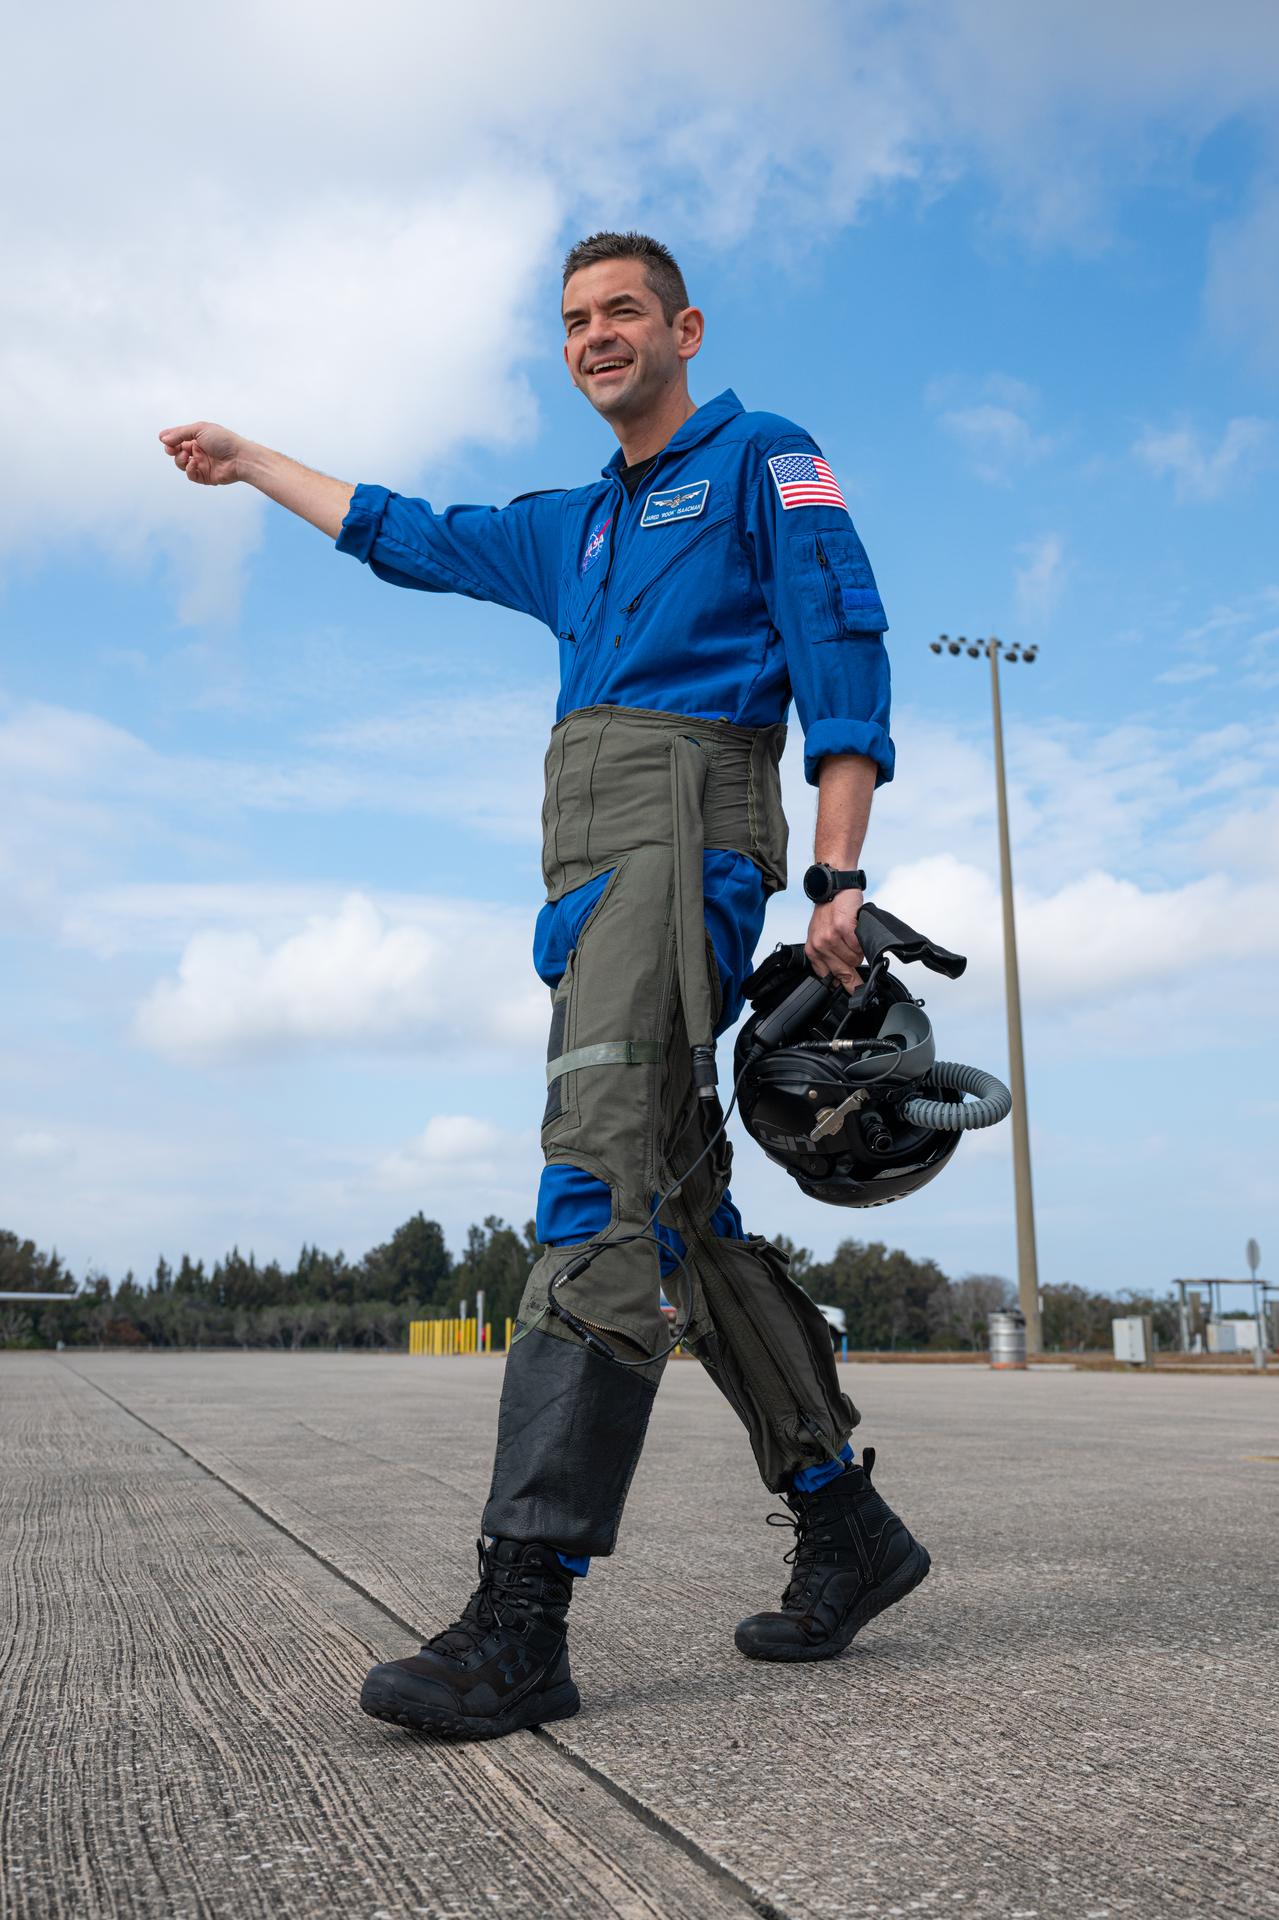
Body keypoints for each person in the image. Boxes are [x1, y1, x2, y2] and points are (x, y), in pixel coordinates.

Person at [160, 230, 930, 1742]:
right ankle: (845, 1520)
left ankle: (526, 1608)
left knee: (591, 1188)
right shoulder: (575, 526)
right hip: (589, 884)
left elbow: (844, 648)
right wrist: (252, 461)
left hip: (680, 839)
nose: (596, 335)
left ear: (683, 326)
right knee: (679, 1209)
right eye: (574, 319)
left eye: (622, 311)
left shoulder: (762, 458)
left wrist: (838, 875)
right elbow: (406, 530)